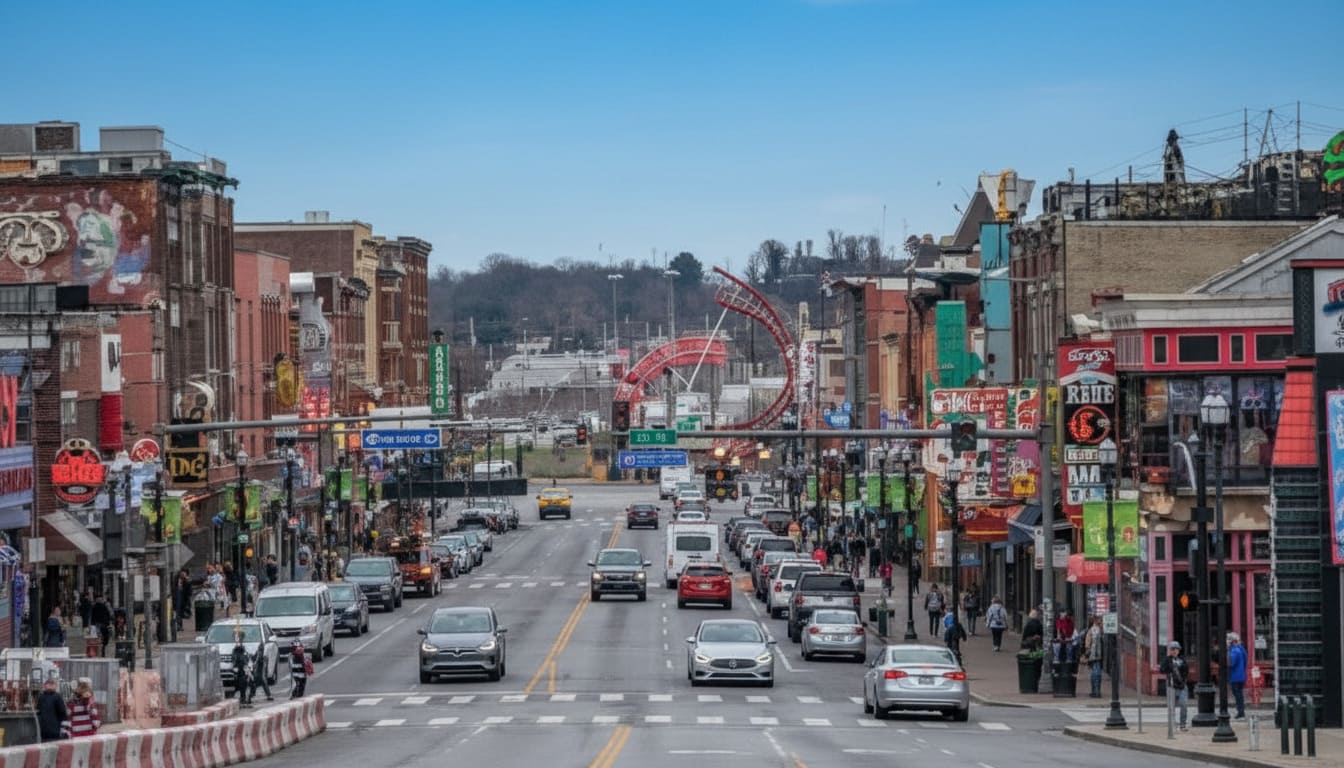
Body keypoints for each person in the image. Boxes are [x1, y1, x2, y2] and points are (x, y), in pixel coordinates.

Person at [1159, 640, 1190, 731]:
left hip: (1182, 686)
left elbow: (1186, 671)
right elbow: (1162, 670)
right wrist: (1170, 667)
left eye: (1176, 649)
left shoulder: (1182, 660)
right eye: (1172, 649)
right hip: (1171, 686)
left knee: (1184, 705)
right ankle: (1173, 725)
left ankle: (1182, 724)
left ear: (1179, 650)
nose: (1174, 651)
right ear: (1170, 650)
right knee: (1171, 707)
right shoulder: (1167, 659)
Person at [1227, 632, 1247, 720]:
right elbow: (1245, 661)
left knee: (1238, 695)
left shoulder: (1234, 650)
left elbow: (1230, 663)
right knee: (1240, 695)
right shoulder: (1241, 649)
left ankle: (1241, 713)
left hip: (1235, 676)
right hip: (1241, 675)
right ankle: (1241, 712)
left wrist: (1228, 652)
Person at [1084, 616, 1104, 697]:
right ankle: (1097, 690)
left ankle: (1095, 691)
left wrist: (1087, 651)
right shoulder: (1100, 630)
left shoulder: (1091, 630)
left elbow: (1087, 643)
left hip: (1093, 654)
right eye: (1100, 620)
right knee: (1097, 672)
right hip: (1099, 654)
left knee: (1094, 672)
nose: (1101, 621)